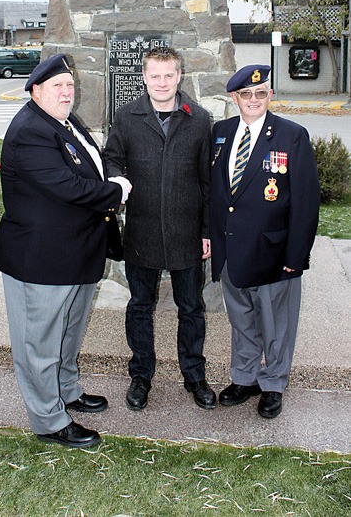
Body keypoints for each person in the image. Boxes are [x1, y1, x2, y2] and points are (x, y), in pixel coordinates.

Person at [0, 54, 131, 448]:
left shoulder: (63, 120)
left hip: (76, 252)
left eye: (69, 85)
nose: (66, 92)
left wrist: (113, 174)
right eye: (58, 86)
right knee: (39, 344)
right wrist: (117, 191)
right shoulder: (29, 131)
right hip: (42, 259)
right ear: (36, 90)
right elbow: (68, 187)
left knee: (68, 334)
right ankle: (49, 420)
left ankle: (67, 391)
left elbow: (92, 160)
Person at [103, 48, 214, 412]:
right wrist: (117, 183)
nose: (162, 83)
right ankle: (140, 375)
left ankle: (194, 375)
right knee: (139, 306)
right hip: (143, 230)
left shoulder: (199, 119)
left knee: (191, 307)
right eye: (155, 76)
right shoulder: (127, 116)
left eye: (169, 75)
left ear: (179, 76)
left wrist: (207, 230)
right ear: (145, 77)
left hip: (186, 232)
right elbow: (112, 159)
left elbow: (207, 180)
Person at [210, 64, 320, 418]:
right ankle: (245, 378)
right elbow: (215, 193)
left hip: (273, 251)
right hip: (231, 248)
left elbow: (306, 201)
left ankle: (273, 382)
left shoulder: (291, 136)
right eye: (246, 94)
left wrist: (296, 255)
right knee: (241, 319)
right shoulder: (221, 133)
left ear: (270, 95)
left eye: (261, 93)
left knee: (275, 324)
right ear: (234, 98)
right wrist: (209, 236)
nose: (254, 100)